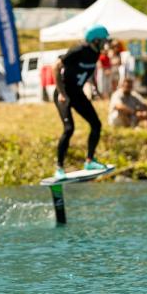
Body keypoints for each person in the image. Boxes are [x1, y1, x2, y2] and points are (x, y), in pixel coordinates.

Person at [53, 25, 110, 179]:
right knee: (69, 128)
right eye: (104, 40)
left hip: (77, 93)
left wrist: (95, 90)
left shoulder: (96, 53)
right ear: (95, 40)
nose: (106, 43)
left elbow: (87, 72)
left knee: (96, 124)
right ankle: (59, 167)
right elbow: (56, 67)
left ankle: (90, 160)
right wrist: (62, 93)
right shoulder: (78, 50)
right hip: (63, 92)